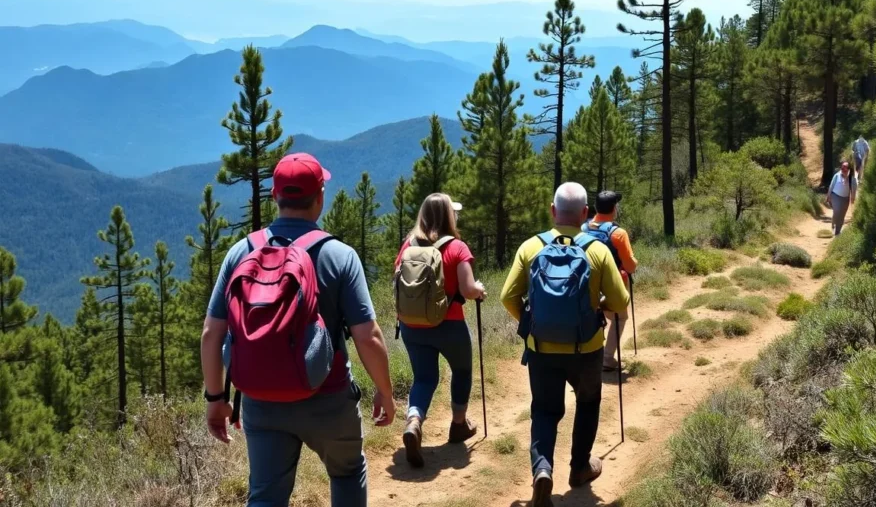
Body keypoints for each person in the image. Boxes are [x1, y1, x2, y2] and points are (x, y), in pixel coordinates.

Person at [200, 152, 396, 507]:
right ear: (320, 198)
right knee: (348, 472)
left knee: (265, 495)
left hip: (261, 401)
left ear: (275, 196)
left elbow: (212, 334)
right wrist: (385, 390)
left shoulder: (240, 253)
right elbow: (368, 336)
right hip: (330, 397)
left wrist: (216, 400)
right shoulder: (340, 255)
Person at [500, 182, 631, 507]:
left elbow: (507, 297)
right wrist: (596, 306)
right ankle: (579, 468)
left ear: (552, 211)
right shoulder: (597, 250)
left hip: (541, 349)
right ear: (585, 214)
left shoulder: (531, 247)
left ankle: (542, 470)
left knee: (544, 410)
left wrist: (532, 323)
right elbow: (619, 300)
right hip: (586, 348)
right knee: (587, 403)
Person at [394, 193, 487, 468]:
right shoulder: (457, 247)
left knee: (424, 378)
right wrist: (480, 290)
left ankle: (413, 420)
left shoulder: (407, 246)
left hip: (413, 326)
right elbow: (469, 290)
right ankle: (458, 425)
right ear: (449, 216)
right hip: (450, 325)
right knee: (461, 371)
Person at [581, 190, 638, 372]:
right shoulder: (618, 233)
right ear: (614, 208)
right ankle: (606, 357)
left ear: (595, 208)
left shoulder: (583, 229)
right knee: (620, 318)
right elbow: (630, 267)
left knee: (593, 315)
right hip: (614, 284)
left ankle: (588, 355)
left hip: (587, 283)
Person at [825, 160, 857, 236]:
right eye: (842, 167)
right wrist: (828, 195)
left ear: (849, 169)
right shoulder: (837, 175)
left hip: (845, 199)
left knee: (842, 215)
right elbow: (831, 186)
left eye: (845, 167)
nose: (843, 169)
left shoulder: (852, 179)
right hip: (835, 196)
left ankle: (837, 232)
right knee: (837, 211)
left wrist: (852, 198)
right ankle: (833, 225)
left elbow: (854, 189)